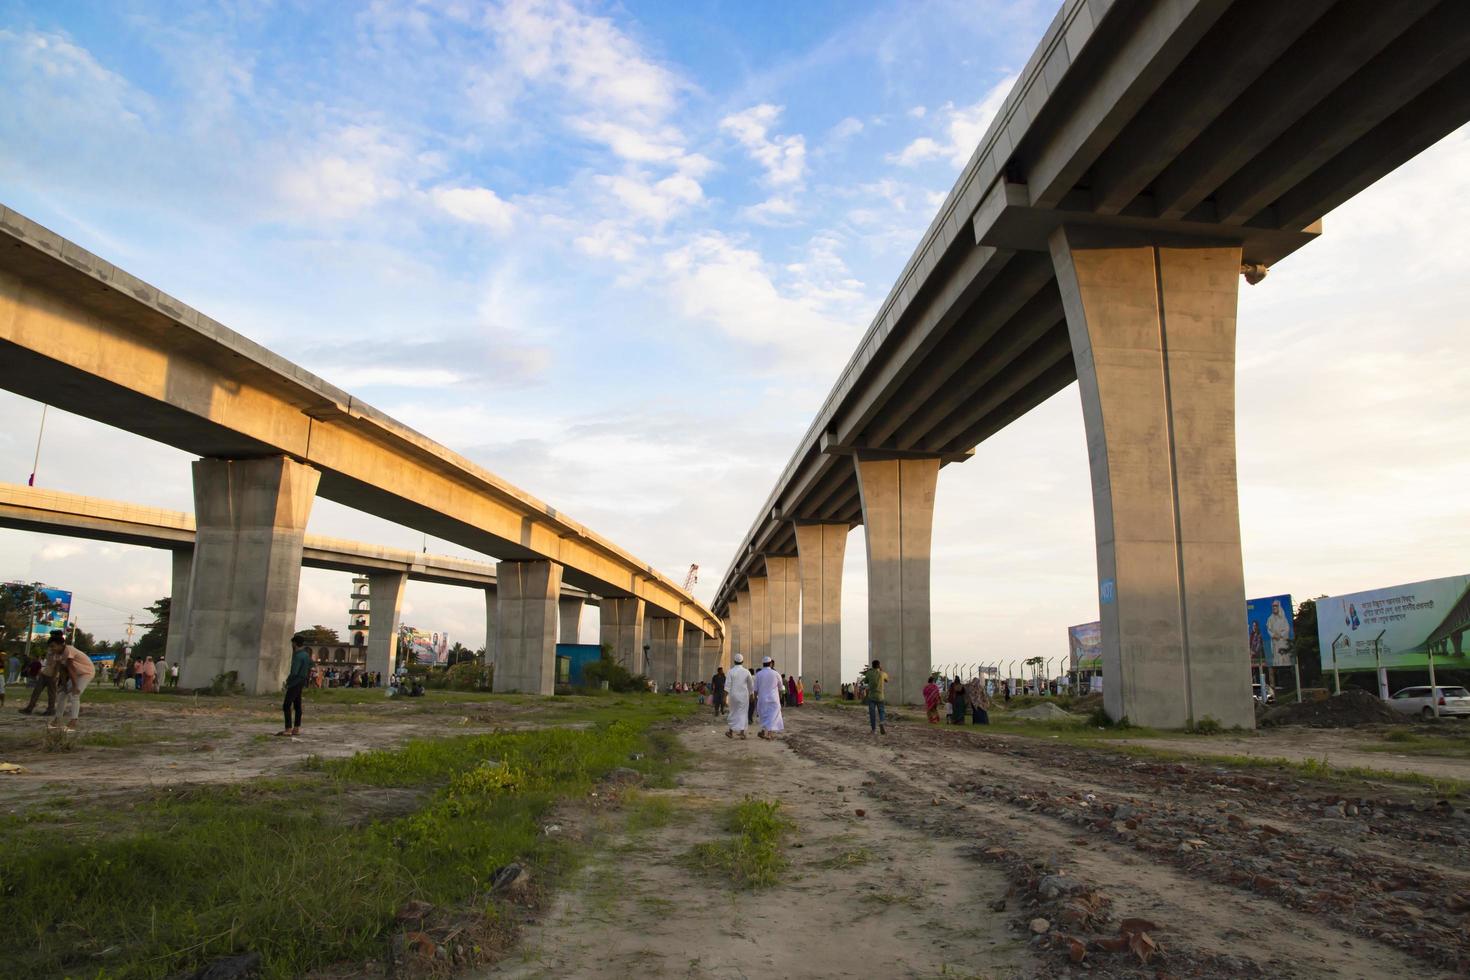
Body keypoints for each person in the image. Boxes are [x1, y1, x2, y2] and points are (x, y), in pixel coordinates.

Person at [50, 632, 95, 732]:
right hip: (77, 673)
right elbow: (61, 670)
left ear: (61, 645)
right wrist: (64, 685)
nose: (52, 649)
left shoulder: (68, 650)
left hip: (86, 672)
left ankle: (73, 722)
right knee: (62, 694)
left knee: (74, 694)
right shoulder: (57, 654)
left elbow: (71, 669)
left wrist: (75, 686)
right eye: (51, 647)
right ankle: (57, 720)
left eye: (53, 646)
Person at [277, 634, 311, 737]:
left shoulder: (297, 655)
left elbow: (294, 672)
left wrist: (288, 681)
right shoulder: (306, 655)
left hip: (295, 681)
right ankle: (296, 728)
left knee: (287, 705)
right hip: (302, 680)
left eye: (292, 643)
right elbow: (311, 665)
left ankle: (288, 728)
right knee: (297, 705)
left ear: (295, 643)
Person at [18, 644, 60, 716]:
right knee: (36, 691)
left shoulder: (59, 653)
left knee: (51, 694)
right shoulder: (50, 651)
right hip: (45, 674)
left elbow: (57, 666)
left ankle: (50, 710)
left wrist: (54, 676)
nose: (51, 648)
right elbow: (48, 664)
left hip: (52, 676)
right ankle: (29, 708)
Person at [754, 657, 785, 740]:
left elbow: (755, 689)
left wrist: (755, 698)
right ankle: (769, 734)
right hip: (774, 699)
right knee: (773, 716)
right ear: (770, 663)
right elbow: (781, 688)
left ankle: (764, 731)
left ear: (763, 664)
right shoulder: (776, 674)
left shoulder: (758, 674)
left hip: (762, 699)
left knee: (764, 715)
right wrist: (781, 696)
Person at [725, 654, 754, 740]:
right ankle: (742, 733)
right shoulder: (746, 672)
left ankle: (730, 732)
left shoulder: (730, 671)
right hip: (743, 696)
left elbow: (727, 685)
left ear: (734, 661)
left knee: (733, 712)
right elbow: (750, 685)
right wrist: (752, 694)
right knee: (743, 713)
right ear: (742, 662)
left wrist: (724, 697)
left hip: (733, 695)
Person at [861, 659, 889, 735]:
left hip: (871, 696)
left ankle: (873, 729)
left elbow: (865, 681)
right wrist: (881, 670)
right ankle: (882, 722)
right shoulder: (882, 673)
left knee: (872, 713)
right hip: (880, 696)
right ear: (879, 665)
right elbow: (887, 680)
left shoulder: (869, 673)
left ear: (872, 665)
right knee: (881, 711)